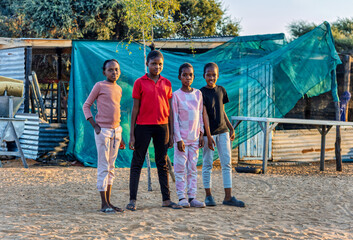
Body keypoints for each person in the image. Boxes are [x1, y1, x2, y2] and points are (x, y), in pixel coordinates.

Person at [127, 47, 182, 211]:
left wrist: (171, 133)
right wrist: (132, 134)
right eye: (153, 64)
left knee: (162, 163)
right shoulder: (139, 82)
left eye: (160, 64)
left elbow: (170, 109)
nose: (157, 67)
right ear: (147, 64)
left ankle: (166, 200)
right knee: (137, 163)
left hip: (162, 127)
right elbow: (135, 109)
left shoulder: (167, 83)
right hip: (142, 127)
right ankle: (132, 200)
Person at [83, 59, 126, 214]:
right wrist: (94, 125)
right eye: (110, 70)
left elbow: (118, 111)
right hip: (103, 131)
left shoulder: (119, 88)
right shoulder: (99, 86)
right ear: (104, 72)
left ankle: (109, 202)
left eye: (116, 69)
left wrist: (122, 136)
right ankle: (103, 203)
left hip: (116, 131)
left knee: (112, 167)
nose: (114, 72)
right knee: (103, 166)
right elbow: (86, 105)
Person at [200, 62, 245, 207]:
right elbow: (204, 115)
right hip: (209, 134)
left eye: (214, 75)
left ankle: (228, 197)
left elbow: (222, 110)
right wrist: (208, 135)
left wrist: (231, 127)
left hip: (223, 131)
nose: (211, 77)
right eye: (208, 74)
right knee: (207, 164)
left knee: (226, 163)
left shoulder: (221, 90)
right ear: (204, 76)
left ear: (218, 76)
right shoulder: (201, 93)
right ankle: (208, 196)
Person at [172, 63, 206, 208]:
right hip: (182, 140)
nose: (187, 77)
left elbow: (200, 114)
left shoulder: (198, 94)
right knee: (180, 169)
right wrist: (178, 138)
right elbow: (174, 118)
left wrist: (201, 133)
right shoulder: (176, 95)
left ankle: (192, 197)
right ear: (179, 77)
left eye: (190, 75)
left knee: (192, 168)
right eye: (184, 75)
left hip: (194, 139)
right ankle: (182, 197)